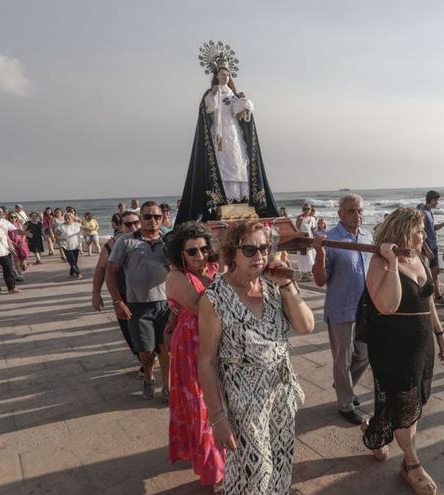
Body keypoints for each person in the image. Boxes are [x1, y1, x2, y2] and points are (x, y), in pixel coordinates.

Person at [198, 220, 314, 494]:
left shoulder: (274, 286)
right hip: (244, 401)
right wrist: (217, 418)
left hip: (280, 393)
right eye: (249, 250)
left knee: (281, 460)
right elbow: (206, 361)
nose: (260, 256)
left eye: (264, 248)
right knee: (256, 471)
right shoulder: (215, 298)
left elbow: (306, 326)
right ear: (231, 254)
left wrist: (287, 285)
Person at [361, 208, 444, 495]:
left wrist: (440, 334)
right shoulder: (379, 262)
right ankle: (411, 464)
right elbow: (388, 305)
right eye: (419, 230)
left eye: (423, 230)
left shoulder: (419, 257)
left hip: (421, 344)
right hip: (393, 346)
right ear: (402, 231)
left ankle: (374, 432)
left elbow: (430, 302)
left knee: (411, 401)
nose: (424, 235)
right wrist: (390, 261)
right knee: (405, 406)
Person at [174, 43, 280, 223]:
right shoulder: (211, 92)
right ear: (216, 75)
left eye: (227, 74)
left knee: (239, 162)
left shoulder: (234, 94)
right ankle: (223, 204)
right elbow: (208, 109)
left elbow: (242, 113)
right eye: (222, 74)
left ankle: (241, 201)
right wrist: (214, 95)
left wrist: (245, 106)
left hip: (234, 134)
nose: (225, 76)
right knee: (223, 164)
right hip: (219, 135)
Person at [165, 222, 225, 493]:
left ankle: (223, 458)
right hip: (191, 347)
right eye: (192, 252)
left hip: (217, 343)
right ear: (180, 253)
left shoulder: (212, 269)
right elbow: (203, 308)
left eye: (204, 249)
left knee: (221, 405)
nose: (200, 256)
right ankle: (214, 474)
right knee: (202, 408)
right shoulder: (176, 277)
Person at [311, 194, 372, 425]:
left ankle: (342, 385)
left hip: (366, 309)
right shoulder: (331, 239)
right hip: (340, 309)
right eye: (351, 211)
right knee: (342, 360)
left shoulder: (368, 236)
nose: (358, 215)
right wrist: (320, 254)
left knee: (364, 354)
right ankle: (345, 404)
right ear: (340, 214)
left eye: (360, 210)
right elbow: (319, 280)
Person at [107, 202, 171, 400]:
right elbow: (110, 272)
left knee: (166, 348)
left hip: (168, 305)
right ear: (140, 218)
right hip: (138, 304)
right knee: (146, 349)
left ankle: (167, 386)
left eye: (157, 217)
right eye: (147, 217)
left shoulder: (169, 241)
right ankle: (149, 376)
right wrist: (118, 302)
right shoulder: (125, 242)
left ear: (163, 218)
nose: (153, 221)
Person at [92, 212, 142, 375]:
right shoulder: (111, 245)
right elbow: (100, 269)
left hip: (149, 297)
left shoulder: (152, 241)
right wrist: (96, 294)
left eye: (136, 223)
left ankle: (149, 359)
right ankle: (143, 361)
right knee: (130, 331)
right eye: (128, 224)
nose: (133, 227)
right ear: (120, 226)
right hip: (123, 297)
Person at [418, 191, 444, 303]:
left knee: (436, 271)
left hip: (433, 245)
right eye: (437, 200)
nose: (438, 202)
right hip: (425, 247)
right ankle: (427, 298)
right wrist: (426, 248)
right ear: (431, 199)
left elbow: (433, 228)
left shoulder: (429, 212)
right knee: (425, 273)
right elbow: (419, 231)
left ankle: (437, 296)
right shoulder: (422, 212)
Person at [56, 213, 83, 279]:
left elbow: (84, 226)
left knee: (74, 261)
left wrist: (77, 219)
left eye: (69, 219)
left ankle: (71, 273)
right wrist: (60, 238)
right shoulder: (61, 226)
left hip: (76, 245)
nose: (67, 220)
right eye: (66, 219)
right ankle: (78, 273)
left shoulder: (77, 225)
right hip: (66, 246)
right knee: (72, 260)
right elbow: (57, 235)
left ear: (72, 219)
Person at [295, 203, 318, 281]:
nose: (306, 210)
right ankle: (304, 272)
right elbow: (297, 229)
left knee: (311, 255)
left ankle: (310, 272)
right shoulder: (300, 218)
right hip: (302, 239)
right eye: (305, 209)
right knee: (303, 256)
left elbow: (314, 230)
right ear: (302, 210)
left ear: (310, 210)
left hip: (310, 239)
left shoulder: (313, 219)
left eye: (308, 209)